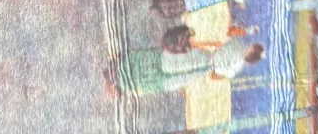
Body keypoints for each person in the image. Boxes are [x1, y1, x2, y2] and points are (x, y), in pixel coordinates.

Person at [111, 38, 266, 96]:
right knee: (168, 77)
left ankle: (121, 66)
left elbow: (218, 44)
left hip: (203, 57)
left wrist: (198, 45)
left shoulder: (237, 43)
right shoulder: (237, 68)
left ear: (252, 48)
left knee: (165, 61)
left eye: (251, 47)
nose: (249, 46)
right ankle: (122, 83)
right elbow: (215, 76)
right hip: (202, 68)